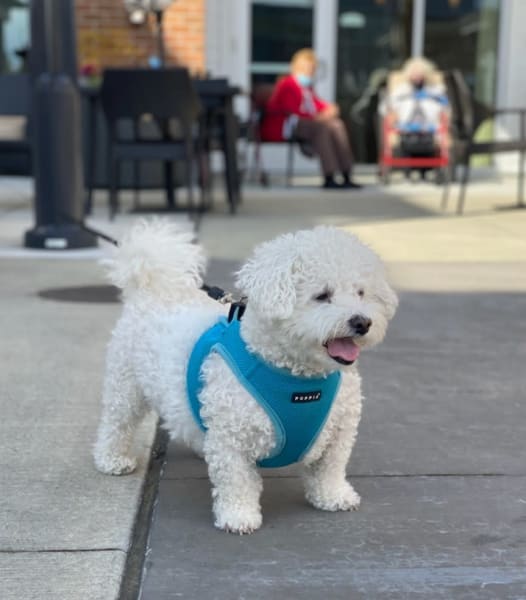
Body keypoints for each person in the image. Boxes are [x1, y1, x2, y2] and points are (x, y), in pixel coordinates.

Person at [260, 48, 362, 190]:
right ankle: (329, 176)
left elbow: (317, 104)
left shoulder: (306, 88)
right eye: (306, 68)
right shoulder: (287, 84)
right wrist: (320, 117)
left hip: (307, 124)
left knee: (337, 125)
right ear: (296, 67)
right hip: (286, 126)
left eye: (312, 69)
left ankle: (346, 173)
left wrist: (329, 109)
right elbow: (293, 112)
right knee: (323, 127)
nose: (309, 72)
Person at [380, 57, 450, 156]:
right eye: (414, 73)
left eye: (420, 73)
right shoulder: (400, 91)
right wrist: (392, 114)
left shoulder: (436, 91)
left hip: (431, 128)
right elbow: (385, 108)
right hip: (405, 128)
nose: (417, 76)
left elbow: (445, 107)